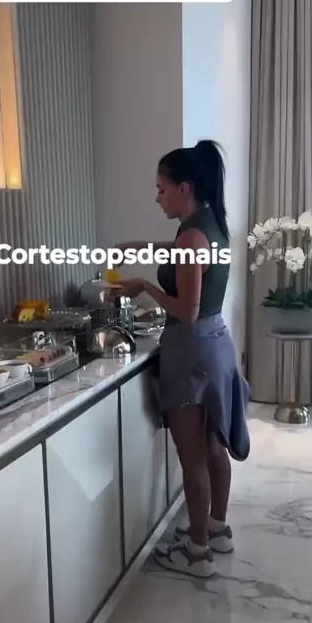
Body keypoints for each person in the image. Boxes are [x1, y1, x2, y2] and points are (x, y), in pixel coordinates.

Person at [114, 140, 250, 579]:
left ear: (184, 187)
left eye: (161, 188)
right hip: (215, 344)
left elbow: (186, 311)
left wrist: (143, 286)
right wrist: (138, 246)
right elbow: (183, 254)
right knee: (213, 445)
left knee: (192, 456)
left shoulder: (191, 236)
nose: (157, 197)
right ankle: (216, 529)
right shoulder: (210, 224)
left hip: (191, 351)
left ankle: (196, 553)